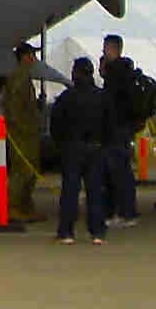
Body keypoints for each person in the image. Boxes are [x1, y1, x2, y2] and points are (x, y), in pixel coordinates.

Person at [46, 55, 117, 245]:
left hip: (71, 147)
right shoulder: (102, 97)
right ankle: (97, 232)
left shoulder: (66, 97)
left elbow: (55, 125)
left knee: (70, 190)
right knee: (95, 191)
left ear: (75, 73)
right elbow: (110, 125)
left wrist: (60, 145)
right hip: (95, 147)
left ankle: (66, 231)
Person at [97, 33, 149, 226]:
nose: (103, 52)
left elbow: (110, 103)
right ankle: (125, 211)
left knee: (115, 172)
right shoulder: (128, 72)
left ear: (112, 49)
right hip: (126, 127)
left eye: (105, 48)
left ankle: (121, 212)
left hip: (115, 128)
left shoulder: (115, 74)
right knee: (123, 171)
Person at [0, 43, 46, 222]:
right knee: (21, 171)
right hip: (22, 133)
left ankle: (25, 207)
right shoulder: (19, 77)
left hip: (27, 131)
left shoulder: (23, 76)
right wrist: (23, 129)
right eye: (31, 54)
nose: (33, 58)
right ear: (24, 57)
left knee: (30, 171)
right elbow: (13, 109)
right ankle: (14, 207)